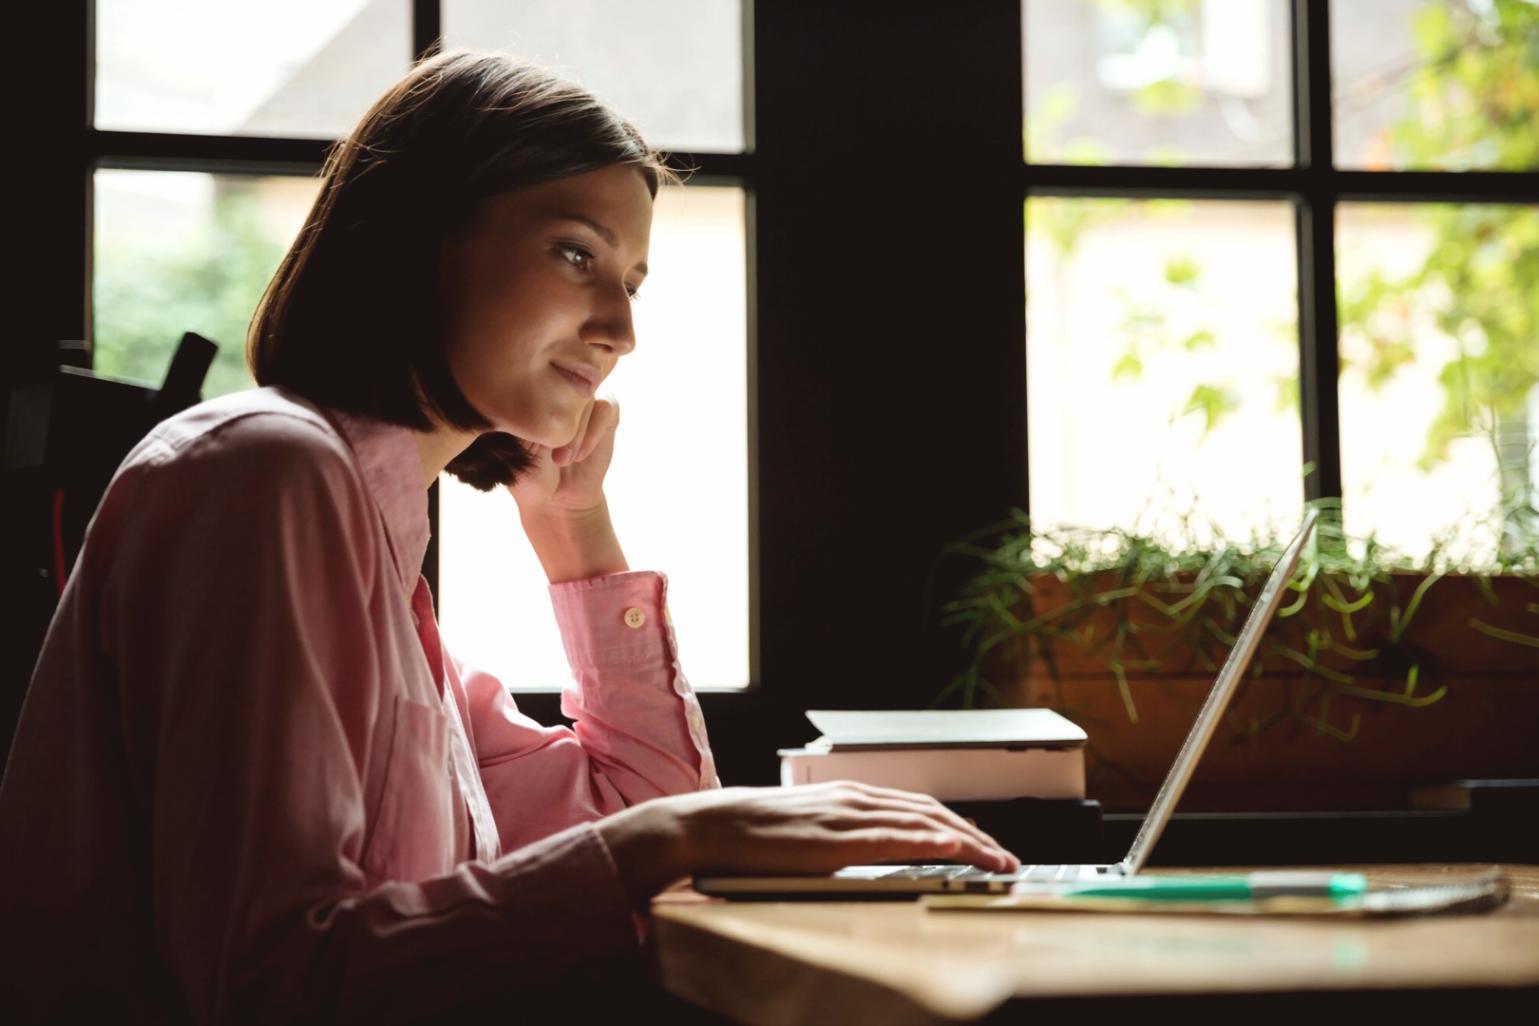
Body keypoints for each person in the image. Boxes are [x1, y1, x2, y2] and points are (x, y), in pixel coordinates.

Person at [0, 50, 1018, 1024]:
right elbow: (279, 987)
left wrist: (577, 528)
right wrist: (669, 838)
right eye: (577, 253)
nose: (621, 329)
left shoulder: (384, 573)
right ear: (417, 239)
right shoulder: (266, 473)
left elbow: (642, 814)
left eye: (633, 279)